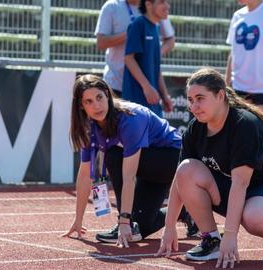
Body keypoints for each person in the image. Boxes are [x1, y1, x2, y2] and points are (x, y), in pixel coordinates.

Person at [156, 68, 263, 266]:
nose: (194, 106)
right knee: (186, 169)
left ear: (220, 95)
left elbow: (241, 184)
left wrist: (231, 236)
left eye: (200, 98)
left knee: (254, 217)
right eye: (191, 100)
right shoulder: (195, 128)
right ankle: (211, 239)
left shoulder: (245, 125)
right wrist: (169, 226)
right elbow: (179, 179)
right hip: (237, 188)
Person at [62, 74, 194, 245]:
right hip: (149, 166)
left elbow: (129, 176)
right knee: (144, 225)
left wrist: (124, 221)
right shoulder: (90, 127)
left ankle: (127, 222)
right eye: (88, 101)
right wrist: (78, 220)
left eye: (99, 97)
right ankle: (184, 212)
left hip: (173, 159)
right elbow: (85, 174)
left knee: (114, 156)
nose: (96, 105)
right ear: (81, 106)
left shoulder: (131, 117)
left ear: (108, 96)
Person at [95, 0, 175, 96]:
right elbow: (101, 43)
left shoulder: (154, 6)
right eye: (163, 2)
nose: (166, 6)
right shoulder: (112, 6)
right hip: (115, 84)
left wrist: (153, 55)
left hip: (145, 85)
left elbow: (170, 40)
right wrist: (134, 32)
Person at [225, 0, 263, 122]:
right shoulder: (237, 15)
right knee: (237, 137)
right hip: (238, 89)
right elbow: (233, 53)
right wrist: (226, 85)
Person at [122, 0, 173, 117]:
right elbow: (129, 59)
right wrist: (147, 87)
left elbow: (156, 67)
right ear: (148, 4)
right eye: (161, 2)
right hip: (137, 101)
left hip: (153, 101)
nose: (167, 6)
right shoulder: (138, 24)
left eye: (167, 2)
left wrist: (165, 96)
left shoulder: (156, 28)